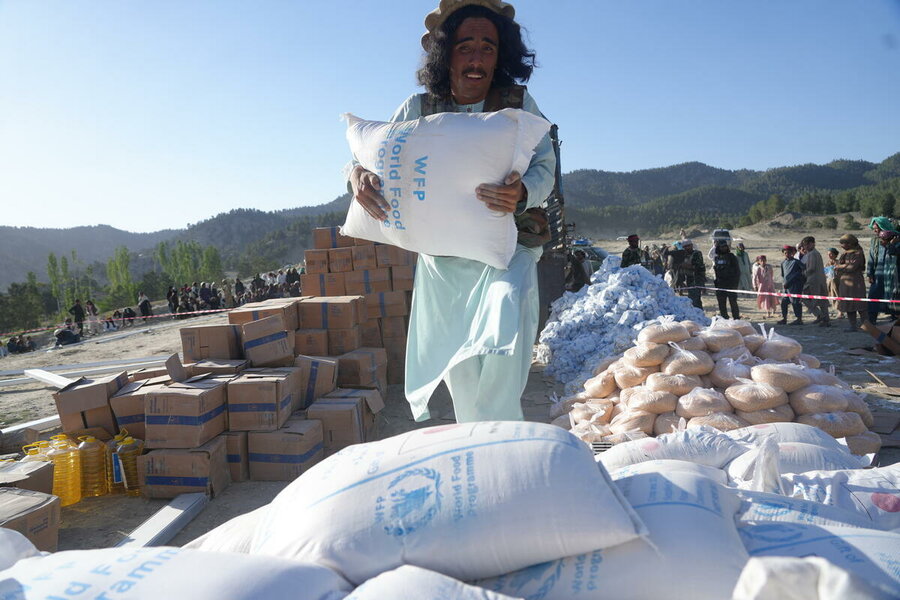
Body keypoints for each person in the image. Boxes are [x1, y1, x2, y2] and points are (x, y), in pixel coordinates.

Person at [348, 0, 555, 423]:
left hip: (507, 248)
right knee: (460, 361)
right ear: (446, 54)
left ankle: (502, 436)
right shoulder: (417, 110)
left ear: (502, 56)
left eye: (488, 46)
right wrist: (357, 178)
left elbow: (544, 166)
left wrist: (521, 193)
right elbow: (378, 159)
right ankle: (476, 444)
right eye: (465, 46)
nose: (477, 57)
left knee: (505, 332)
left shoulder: (517, 104)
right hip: (443, 262)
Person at [867, 217, 900, 324]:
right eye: (874, 228)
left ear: (883, 227)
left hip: (894, 274)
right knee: (873, 296)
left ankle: (894, 321)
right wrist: (870, 273)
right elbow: (871, 258)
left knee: (893, 296)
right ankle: (872, 321)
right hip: (879, 274)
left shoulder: (896, 239)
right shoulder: (874, 241)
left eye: (877, 228)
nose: (875, 230)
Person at [833, 234, 868, 332]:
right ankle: (853, 326)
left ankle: (866, 326)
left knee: (860, 306)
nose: (842, 246)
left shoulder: (858, 253)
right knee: (848, 305)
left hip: (856, 283)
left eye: (843, 243)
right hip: (845, 283)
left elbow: (852, 267)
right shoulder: (845, 254)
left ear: (850, 243)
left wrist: (840, 267)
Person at [798, 236, 831, 327]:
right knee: (822, 301)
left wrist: (803, 273)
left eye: (808, 244)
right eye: (805, 245)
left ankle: (819, 315)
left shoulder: (812, 254)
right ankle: (826, 319)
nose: (806, 246)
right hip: (820, 280)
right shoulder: (815, 253)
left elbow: (811, 269)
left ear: (813, 243)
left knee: (805, 298)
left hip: (813, 280)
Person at [778, 244, 805, 325]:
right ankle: (784, 318)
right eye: (785, 253)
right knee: (784, 302)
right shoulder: (783, 263)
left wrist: (792, 281)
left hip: (795, 286)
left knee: (796, 302)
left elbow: (802, 273)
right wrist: (786, 283)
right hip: (786, 287)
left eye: (789, 253)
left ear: (792, 253)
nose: (787, 254)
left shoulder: (797, 262)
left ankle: (799, 319)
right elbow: (783, 275)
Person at [713, 241, 741, 319]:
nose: (724, 248)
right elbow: (716, 271)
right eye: (722, 246)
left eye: (725, 246)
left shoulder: (731, 257)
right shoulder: (717, 258)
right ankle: (724, 318)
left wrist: (735, 284)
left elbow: (737, 272)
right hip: (720, 284)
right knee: (721, 303)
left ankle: (736, 318)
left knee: (733, 302)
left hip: (731, 284)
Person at [825, 247, 842, 319]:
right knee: (833, 297)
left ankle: (841, 312)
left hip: (838, 282)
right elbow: (825, 273)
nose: (829, 256)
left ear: (835, 255)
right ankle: (838, 311)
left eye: (831, 254)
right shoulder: (827, 264)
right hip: (830, 283)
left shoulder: (839, 263)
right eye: (828, 254)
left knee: (839, 296)